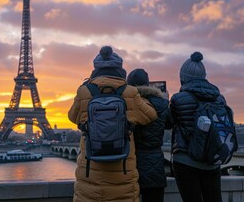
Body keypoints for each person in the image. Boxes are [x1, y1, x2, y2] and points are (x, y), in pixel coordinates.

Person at [68, 46, 158, 202]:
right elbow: (151, 115)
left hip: (90, 173)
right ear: (120, 69)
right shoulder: (130, 92)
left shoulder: (84, 92)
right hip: (122, 172)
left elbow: (72, 116)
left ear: (95, 69)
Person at [170, 51, 227, 202]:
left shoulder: (178, 99)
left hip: (185, 160)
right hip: (212, 158)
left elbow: (169, 123)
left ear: (183, 77)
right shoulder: (219, 98)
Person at [127, 68, 173, 202]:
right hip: (155, 162)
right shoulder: (161, 104)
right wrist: (166, 101)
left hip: (131, 162)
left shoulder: (127, 103)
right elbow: (170, 124)